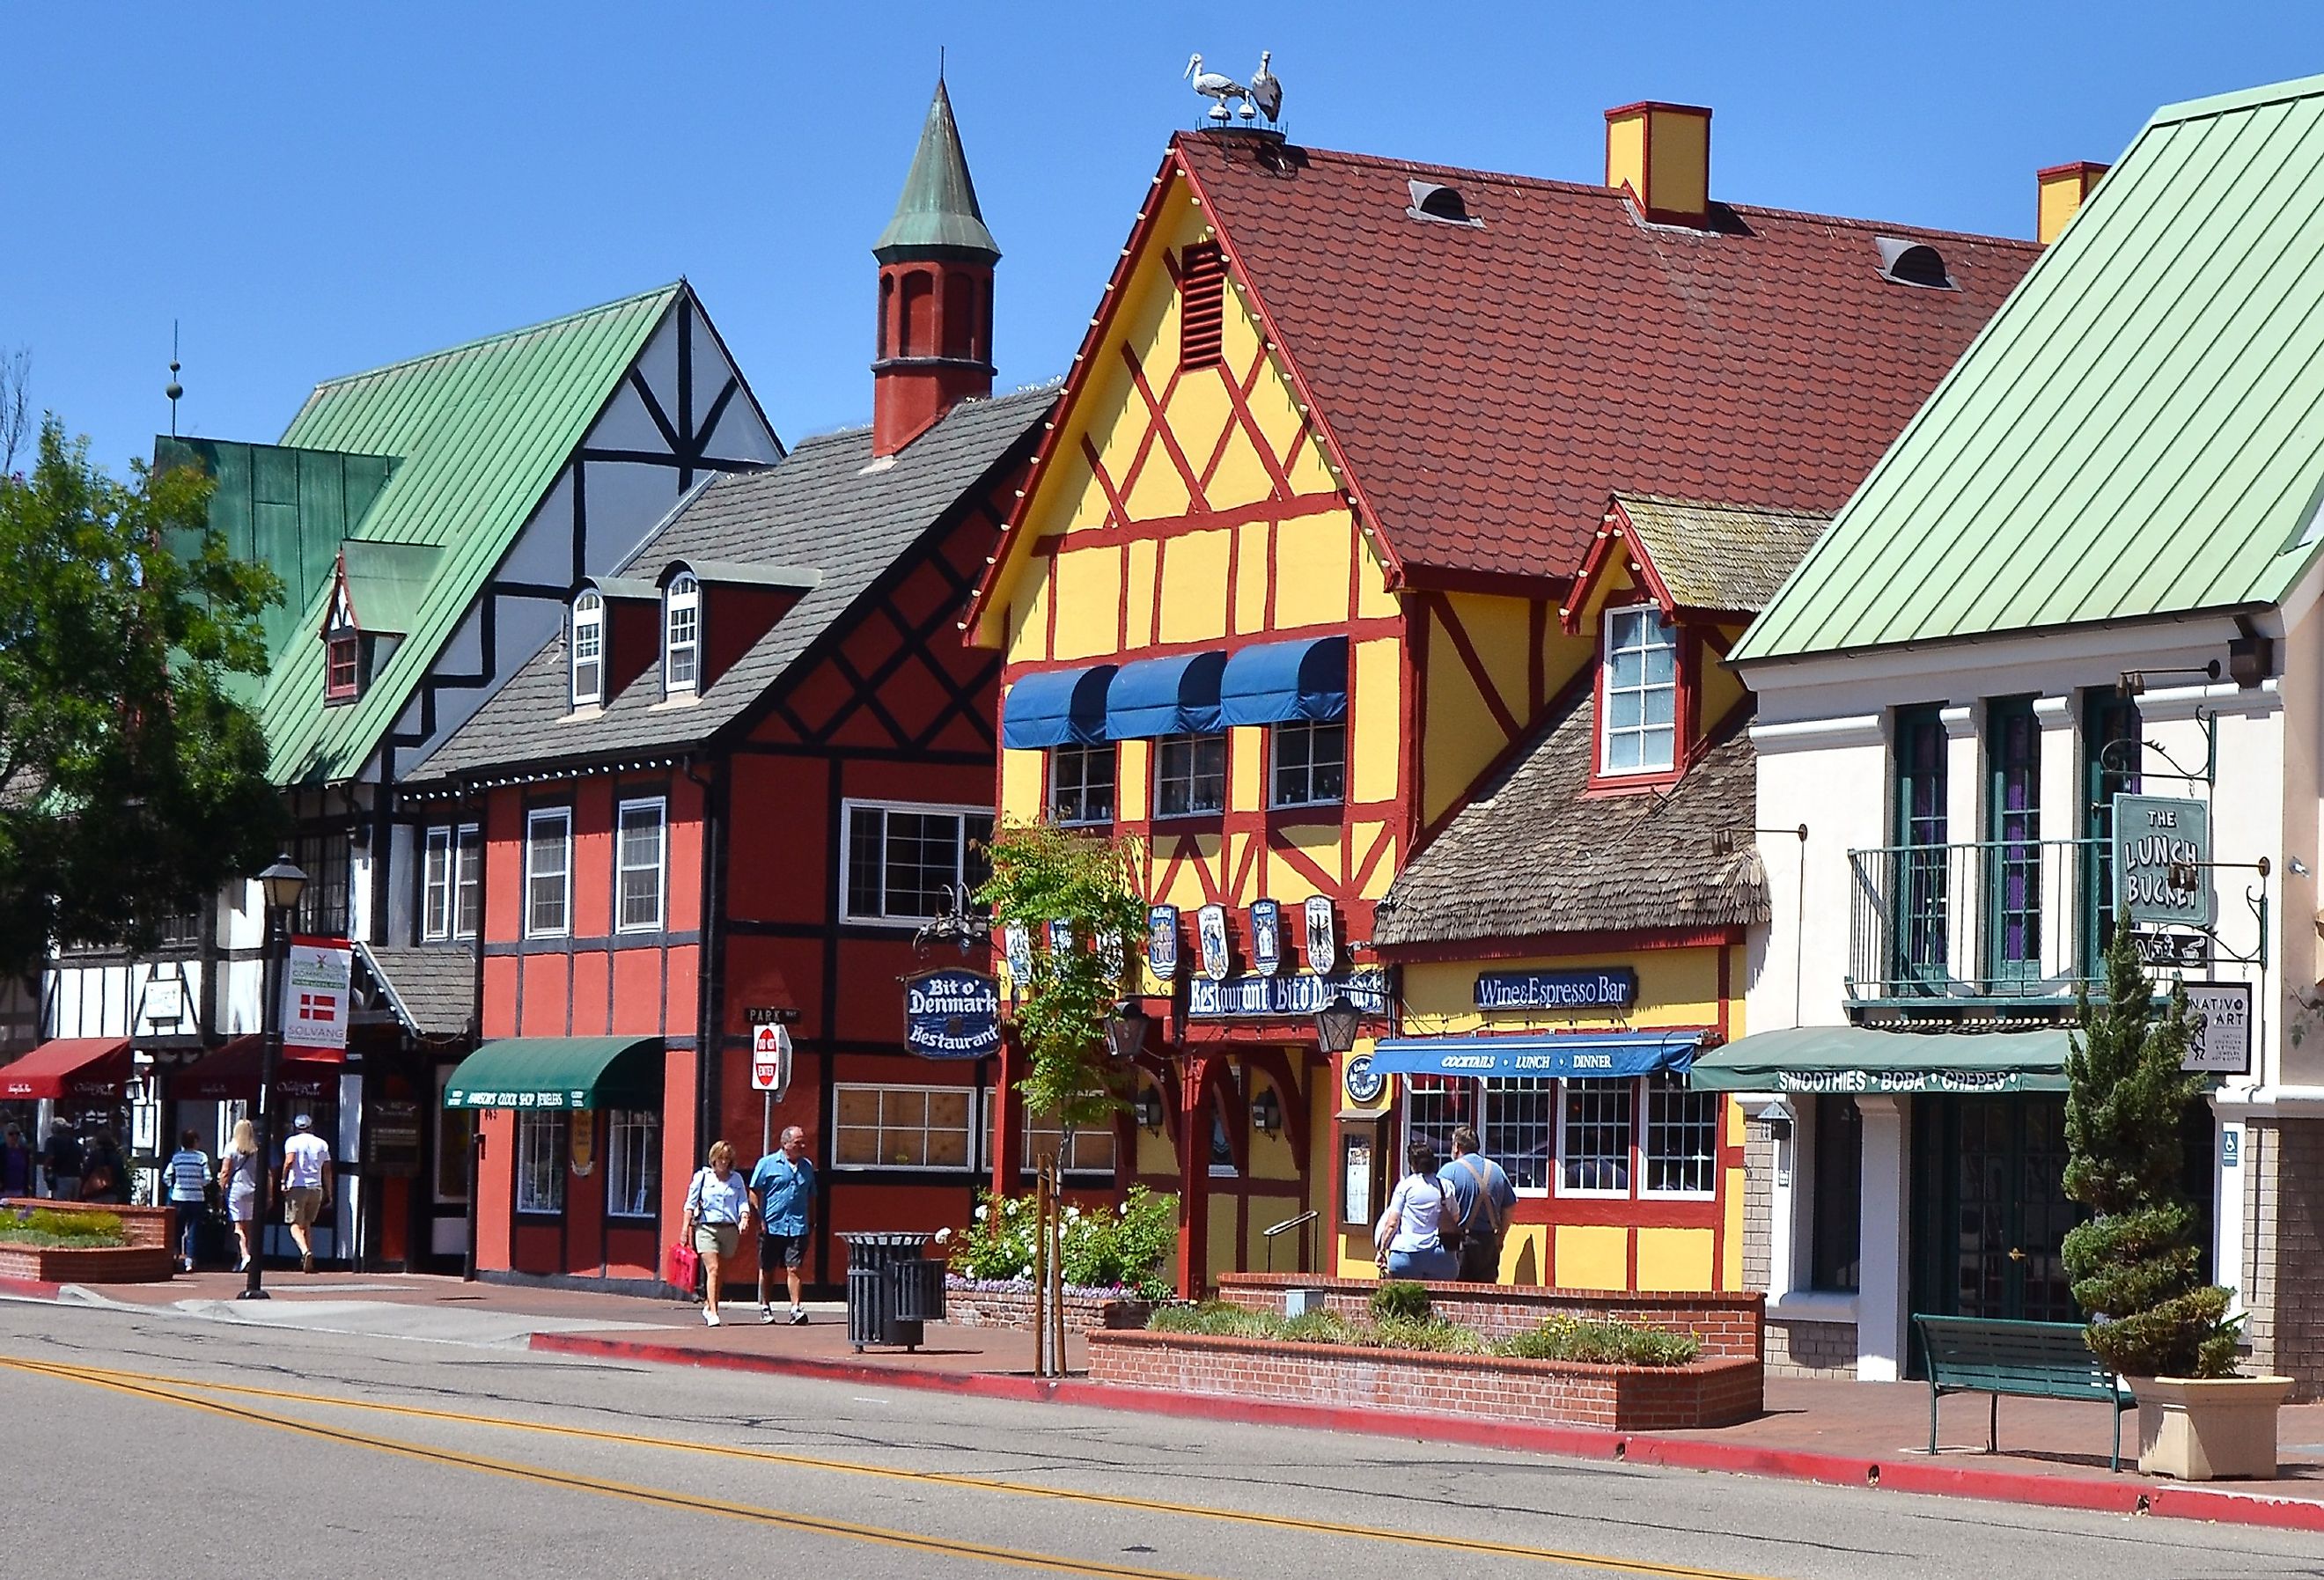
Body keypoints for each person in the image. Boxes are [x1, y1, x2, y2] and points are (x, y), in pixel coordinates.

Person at [748, 1126, 817, 1326]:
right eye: (798, 1142)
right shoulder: (767, 1164)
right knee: (767, 1268)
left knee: (794, 1267)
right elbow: (754, 1191)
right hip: (772, 1225)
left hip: (797, 1225)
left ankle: (795, 1308)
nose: (802, 1146)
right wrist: (758, 1218)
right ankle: (765, 1306)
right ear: (785, 1144)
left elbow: (812, 1194)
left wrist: (811, 1220)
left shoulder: (806, 1166)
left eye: (803, 1142)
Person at [682, 1141, 751, 1326]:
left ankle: (709, 1303)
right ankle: (713, 1312)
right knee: (713, 1269)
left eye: (727, 1159)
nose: (723, 1163)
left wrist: (744, 1217)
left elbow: (743, 1201)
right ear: (713, 1159)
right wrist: (684, 1230)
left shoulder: (736, 1179)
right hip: (706, 1228)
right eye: (720, 1158)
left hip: (729, 1228)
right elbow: (690, 1204)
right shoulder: (703, 1177)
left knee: (721, 1272)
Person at [1439, 1125, 1519, 1284]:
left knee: (1457, 1293)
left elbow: (1438, 1206)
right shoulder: (1497, 1170)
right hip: (1489, 1241)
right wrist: (1501, 1236)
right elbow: (1510, 1206)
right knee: (1486, 1294)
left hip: (1460, 1242)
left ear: (1457, 1147)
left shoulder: (1449, 1171)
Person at [1373, 1138, 1458, 1282]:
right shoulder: (1445, 1186)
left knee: (1405, 1300)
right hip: (1439, 1256)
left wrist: (1381, 1250)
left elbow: (1392, 1223)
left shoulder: (1405, 1186)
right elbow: (1455, 1217)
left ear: (1412, 1164)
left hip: (1405, 1254)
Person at [281, 1113, 334, 1275]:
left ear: (296, 1127)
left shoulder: (292, 1142)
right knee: (307, 1224)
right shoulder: (322, 1144)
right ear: (311, 1126)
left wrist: (283, 1180)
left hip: (297, 1186)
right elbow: (327, 1170)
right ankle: (308, 1260)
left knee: (294, 1225)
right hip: (316, 1187)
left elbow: (289, 1161)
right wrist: (329, 1192)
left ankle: (305, 1251)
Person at [164, 1128, 210, 1272]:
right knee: (193, 1230)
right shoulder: (201, 1157)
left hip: (179, 1197)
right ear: (195, 1142)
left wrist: (174, 1186)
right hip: (196, 1198)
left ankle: (175, 1256)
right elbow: (208, 1178)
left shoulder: (177, 1157)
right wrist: (200, 1184)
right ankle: (189, 1261)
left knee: (177, 1228)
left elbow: (166, 1176)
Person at [218, 1119, 261, 1273]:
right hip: (252, 1190)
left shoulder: (231, 1147)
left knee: (237, 1226)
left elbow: (225, 1171)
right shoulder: (255, 1149)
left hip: (236, 1190)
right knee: (248, 1227)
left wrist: (221, 1189)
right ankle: (244, 1257)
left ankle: (244, 1254)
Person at [77, 1128, 127, 1203]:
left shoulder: (94, 1155)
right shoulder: (116, 1156)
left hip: (94, 1192)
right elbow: (121, 1176)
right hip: (112, 1192)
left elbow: (86, 1172)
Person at [42, 1121, 79, 1202]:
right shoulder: (73, 1141)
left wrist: (45, 1169)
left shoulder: (51, 1141)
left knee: (61, 1207)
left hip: (62, 1178)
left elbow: (50, 1157)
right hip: (76, 1178)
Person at [0, 1123, 33, 1199]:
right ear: (5, 1135)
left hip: (20, 1191)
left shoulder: (24, 1151)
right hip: (3, 1190)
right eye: (11, 1134)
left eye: (17, 1134)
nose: (15, 1136)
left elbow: (27, 1171)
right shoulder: (1, 1151)